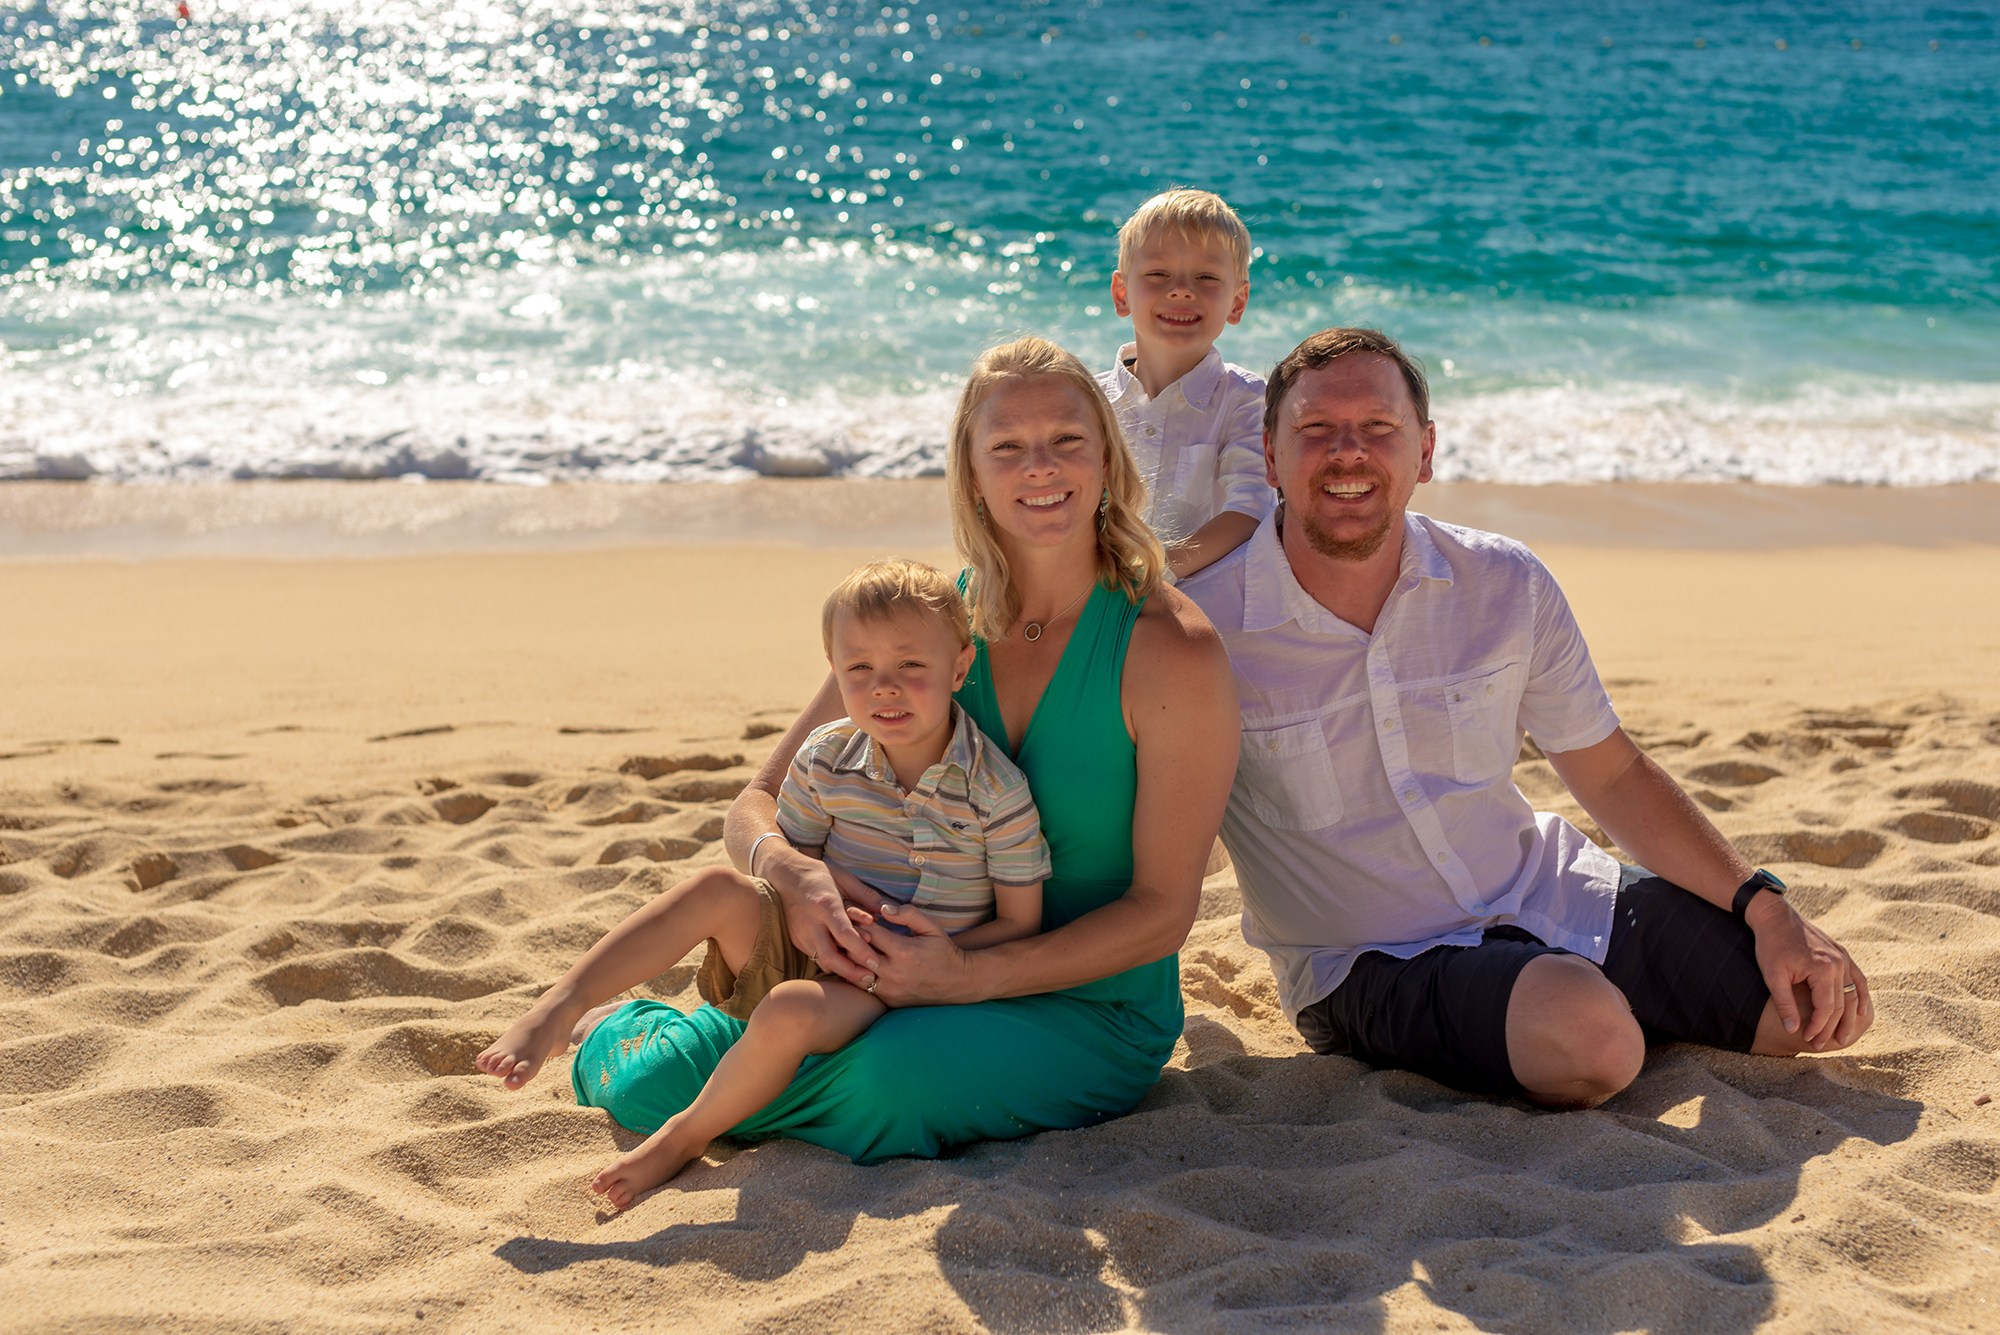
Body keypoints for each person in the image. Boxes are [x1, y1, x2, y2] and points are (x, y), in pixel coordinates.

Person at [523, 336, 1238, 1186]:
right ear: (972, 472)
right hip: (864, 975)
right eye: (1007, 445)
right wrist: (796, 876)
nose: (1039, 465)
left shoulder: (1175, 652)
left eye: (1067, 440)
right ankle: (630, 1032)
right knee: (653, 1079)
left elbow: (1162, 913)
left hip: (1083, 1004)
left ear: (1109, 458)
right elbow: (753, 803)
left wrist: (970, 975)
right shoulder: (930, 623)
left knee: (891, 1084)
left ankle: (734, 1073)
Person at [1180, 327, 1874, 1109]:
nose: (1349, 452)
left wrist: (1765, 906)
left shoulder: (1503, 582)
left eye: (1379, 428)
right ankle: (1575, 1004)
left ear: (1426, 451)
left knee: (1818, 1006)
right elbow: (1157, 834)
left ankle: (1572, 994)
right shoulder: (1204, 631)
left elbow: (1610, 772)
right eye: (1316, 431)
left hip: (1548, 893)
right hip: (1370, 961)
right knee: (1596, 1040)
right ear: (1271, 455)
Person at [475, 559, 1051, 1207]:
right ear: (834, 670)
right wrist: (818, 897)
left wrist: (946, 962)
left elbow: (1022, 922)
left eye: (910, 667)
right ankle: (559, 1007)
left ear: (959, 667)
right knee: (716, 888)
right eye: (858, 669)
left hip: (896, 980)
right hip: (816, 933)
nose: (884, 688)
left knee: (787, 1010)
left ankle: (683, 1135)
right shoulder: (827, 756)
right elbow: (792, 865)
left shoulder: (995, 790)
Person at [1098, 188, 1273, 580]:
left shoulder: (1247, 400)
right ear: (1121, 293)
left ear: (1237, 302)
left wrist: (1153, 573)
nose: (1181, 289)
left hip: (1204, 613)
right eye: (1158, 274)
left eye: (1206, 277)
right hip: (1097, 599)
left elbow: (1248, 511)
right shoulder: (1088, 402)